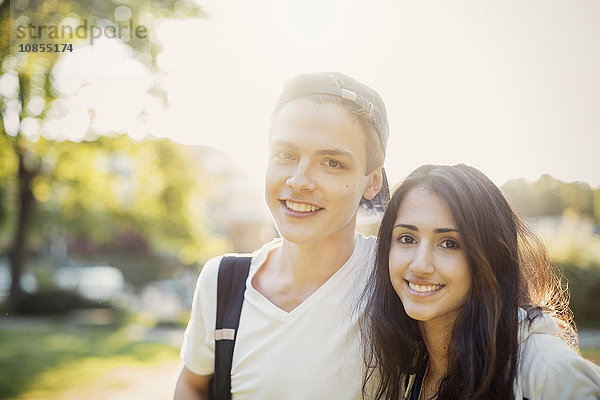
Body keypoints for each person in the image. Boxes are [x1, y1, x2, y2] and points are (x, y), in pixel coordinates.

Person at [173, 72, 390, 399]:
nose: (299, 180)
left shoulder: (394, 280)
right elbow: (193, 384)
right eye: (286, 155)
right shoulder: (224, 282)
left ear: (372, 181)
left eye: (331, 162)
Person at [362, 164, 600, 400]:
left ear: (491, 255)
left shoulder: (544, 368)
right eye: (407, 238)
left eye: (449, 243)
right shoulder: (402, 365)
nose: (420, 265)